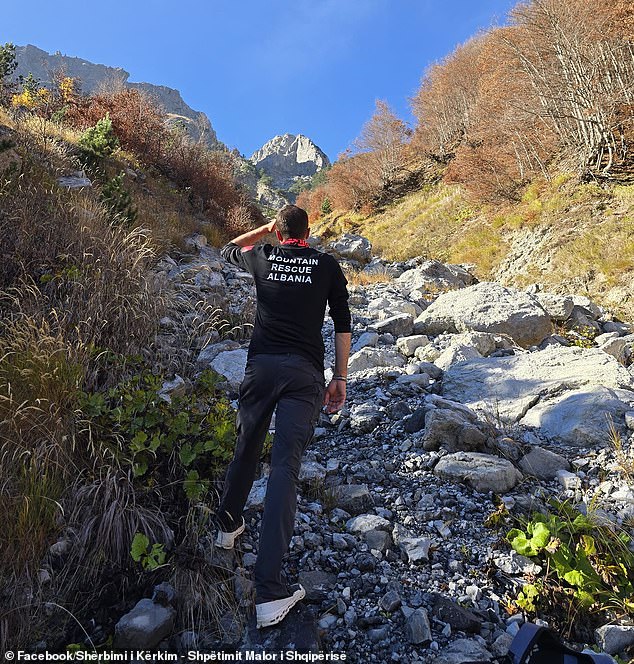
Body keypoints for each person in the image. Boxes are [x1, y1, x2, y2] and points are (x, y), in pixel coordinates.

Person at [214, 204, 351, 629]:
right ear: (308, 233)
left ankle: (227, 526)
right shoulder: (326, 264)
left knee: (247, 444)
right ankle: (270, 591)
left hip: (261, 367)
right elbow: (343, 323)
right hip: (304, 373)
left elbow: (226, 250)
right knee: (284, 467)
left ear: (279, 230)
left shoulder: (263, 254)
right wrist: (340, 378)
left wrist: (263, 231)